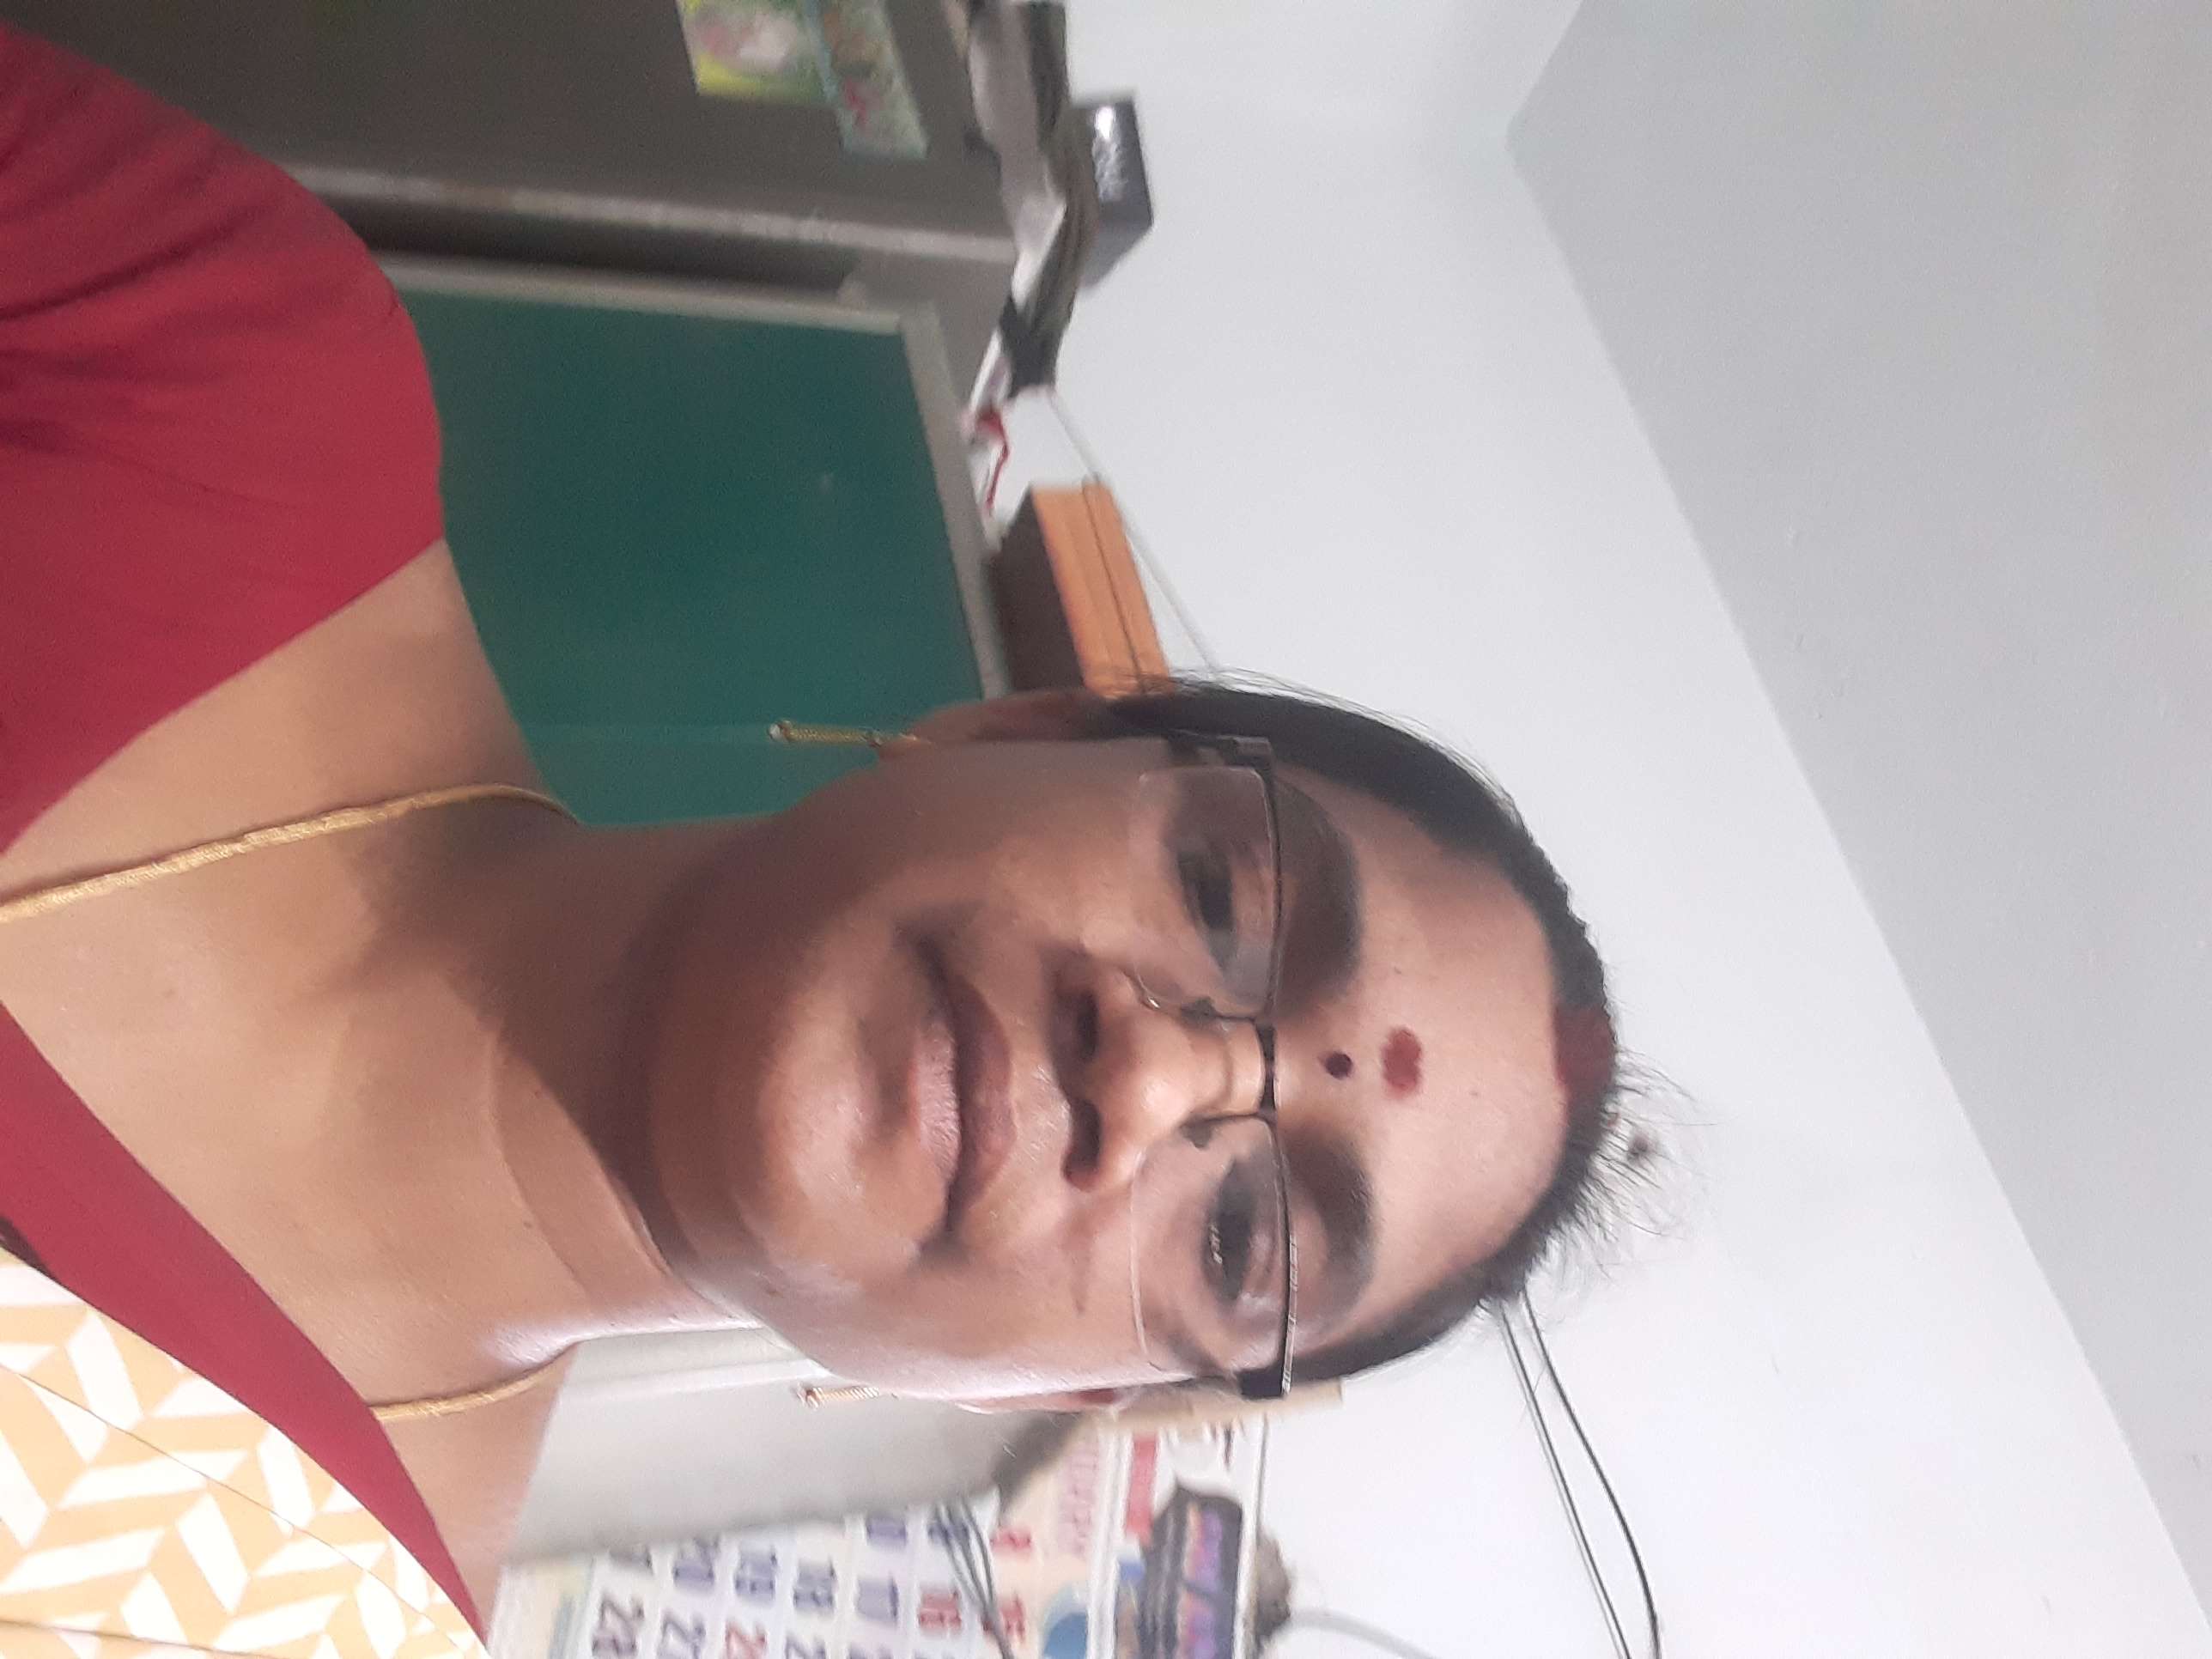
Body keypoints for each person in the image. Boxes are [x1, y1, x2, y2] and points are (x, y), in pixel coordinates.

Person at [0, 21, 1625, 1654]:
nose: (1149, 1076)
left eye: (1238, 1234)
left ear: (1058, 1391)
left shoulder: (293, 1626)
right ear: (1015, 731)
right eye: (1221, 892)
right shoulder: (221, 381)